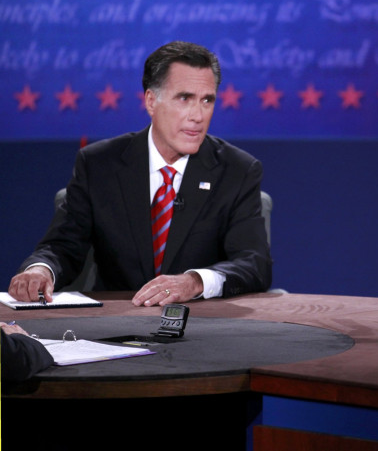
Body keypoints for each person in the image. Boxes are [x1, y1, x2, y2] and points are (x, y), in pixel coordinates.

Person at [8, 41, 272, 307]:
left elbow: (254, 264)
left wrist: (194, 282)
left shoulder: (237, 170)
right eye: (185, 98)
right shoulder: (99, 164)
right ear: (151, 101)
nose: (198, 115)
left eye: (207, 100)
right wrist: (40, 270)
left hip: (201, 327)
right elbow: (63, 245)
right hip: (115, 325)